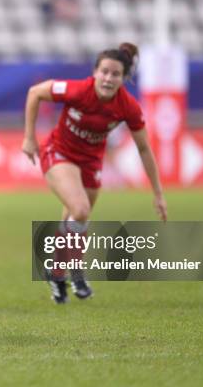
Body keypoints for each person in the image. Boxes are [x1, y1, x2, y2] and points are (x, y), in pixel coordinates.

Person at [22, 42, 167, 304]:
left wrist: (158, 193)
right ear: (95, 72)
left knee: (74, 218)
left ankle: (56, 272)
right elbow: (35, 92)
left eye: (115, 74)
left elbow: (144, 149)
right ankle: (76, 271)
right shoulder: (77, 90)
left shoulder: (128, 107)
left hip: (90, 163)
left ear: (124, 79)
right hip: (59, 152)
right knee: (80, 210)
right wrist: (29, 138)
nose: (109, 78)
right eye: (105, 72)